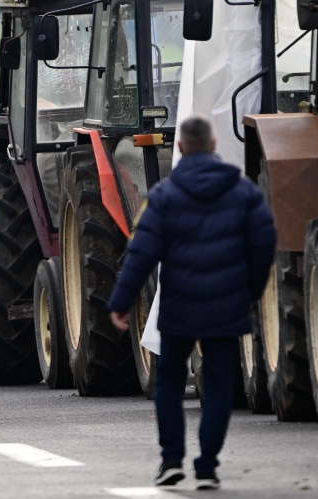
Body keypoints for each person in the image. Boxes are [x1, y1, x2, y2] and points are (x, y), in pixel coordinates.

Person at [108, 114, 276, 490]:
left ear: (180, 148)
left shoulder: (163, 197)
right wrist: (249, 292)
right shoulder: (244, 191)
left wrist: (120, 302)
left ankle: (171, 460)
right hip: (226, 306)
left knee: (169, 381)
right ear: (214, 146)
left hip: (179, 308)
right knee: (217, 385)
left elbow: (140, 254)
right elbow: (264, 244)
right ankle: (207, 466)